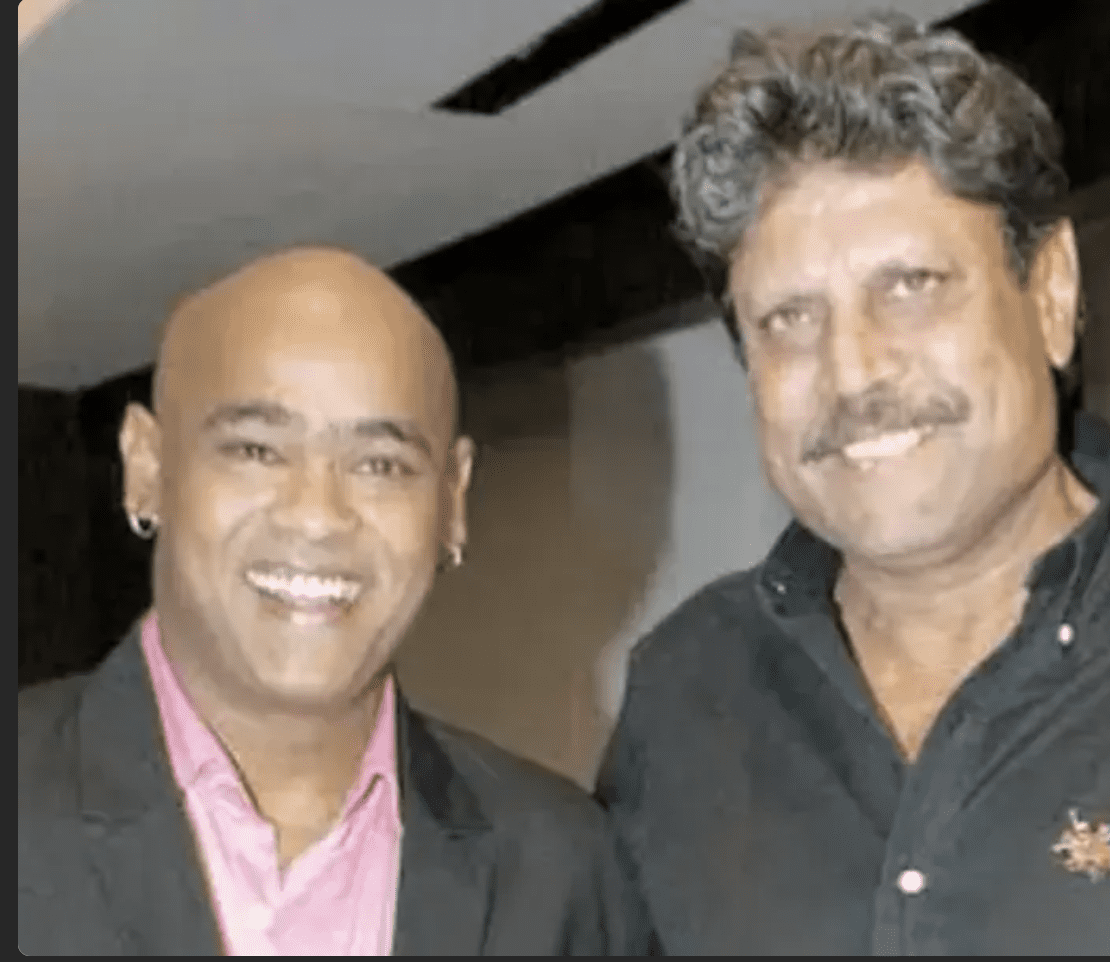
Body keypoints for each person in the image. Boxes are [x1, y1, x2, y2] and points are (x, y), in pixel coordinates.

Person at [594, 11, 1110, 956]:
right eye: (789, 317)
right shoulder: (686, 687)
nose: (853, 372)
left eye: (911, 286)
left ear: (1052, 293)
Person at [18, 247, 657, 956]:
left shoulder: (560, 869)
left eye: (380, 464)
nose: (317, 515)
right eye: (256, 450)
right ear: (146, 466)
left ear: (451, 502)